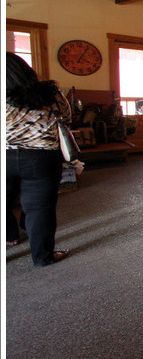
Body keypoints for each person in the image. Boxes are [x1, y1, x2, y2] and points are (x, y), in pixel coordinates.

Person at [5, 53, 71, 267]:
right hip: (41, 156)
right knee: (41, 208)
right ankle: (42, 257)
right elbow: (66, 118)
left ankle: (10, 236)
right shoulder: (49, 92)